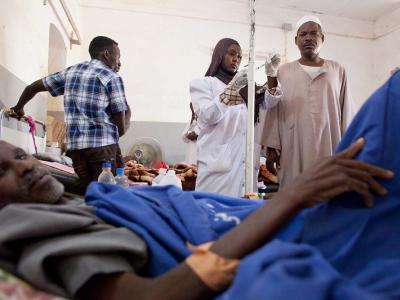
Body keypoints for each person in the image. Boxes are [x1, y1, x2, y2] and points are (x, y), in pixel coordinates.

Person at [0, 130, 393, 299]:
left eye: (20, 155)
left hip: (269, 220)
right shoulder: (38, 231)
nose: (25, 166)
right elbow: (155, 297)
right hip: (271, 239)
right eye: (3, 170)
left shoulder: (85, 199)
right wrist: (292, 197)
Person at [11, 36, 131, 188]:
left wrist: (19, 107)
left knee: (88, 192)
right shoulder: (112, 77)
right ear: (106, 54)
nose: (119, 62)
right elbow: (120, 129)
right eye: (118, 56)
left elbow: (31, 88)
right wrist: (129, 114)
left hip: (76, 152)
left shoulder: (72, 72)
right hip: (103, 151)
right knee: (108, 195)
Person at [262, 16, 355, 188]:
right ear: (296, 40)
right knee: (294, 199)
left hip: (330, 145)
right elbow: (274, 109)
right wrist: (271, 147)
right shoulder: (283, 71)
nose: (308, 38)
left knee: (329, 197)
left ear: (322, 38)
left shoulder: (337, 70)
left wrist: (349, 148)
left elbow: (347, 111)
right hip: (294, 147)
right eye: (303, 34)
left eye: (314, 33)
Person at [190, 38, 282, 197]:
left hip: (245, 167)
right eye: (231, 54)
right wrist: (230, 92)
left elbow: (271, 100)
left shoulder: (249, 89)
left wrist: (272, 74)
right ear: (219, 55)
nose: (236, 59)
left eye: (239, 57)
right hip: (217, 167)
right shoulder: (203, 84)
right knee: (213, 214)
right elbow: (207, 115)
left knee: (243, 216)